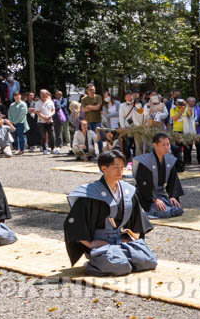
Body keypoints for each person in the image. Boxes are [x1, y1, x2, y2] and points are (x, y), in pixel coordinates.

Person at [63, 149, 156, 277]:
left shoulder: (127, 191)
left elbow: (138, 221)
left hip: (121, 240)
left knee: (148, 261)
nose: (120, 170)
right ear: (103, 168)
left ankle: (119, 256)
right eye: (115, 167)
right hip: (101, 244)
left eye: (122, 167)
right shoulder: (90, 193)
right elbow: (73, 224)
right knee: (121, 266)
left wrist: (131, 236)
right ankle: (94, 263)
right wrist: (90, 244)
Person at [132, 133, 185, 219]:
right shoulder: (145, 161)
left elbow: (173, 181)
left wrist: (172, 196)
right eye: (163, 145)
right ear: (155, 145)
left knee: (178, 209)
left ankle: (165, 207)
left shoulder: (169, 160)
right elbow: (143, 184)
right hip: (146, 198)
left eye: (168, 144)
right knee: (164, 213)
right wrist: (155, 199)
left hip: (160, 195)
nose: (167, 147)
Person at [80, 85, 103, 153]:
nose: (92, 91)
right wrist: (93, 107)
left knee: (99, 137)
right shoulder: (84, 99)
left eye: (93, 89)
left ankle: (101, 152)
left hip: (97, 120)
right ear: (87, 91)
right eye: (90, 90)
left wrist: (89, 106)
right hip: (88, 121)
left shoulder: (98, 97)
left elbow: (98, 107)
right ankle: (92, 153)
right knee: (90, 138)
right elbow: (83, 110)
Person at [34, 90, 56, 154]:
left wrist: (49, 116)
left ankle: (52, 148)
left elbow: (53, 110)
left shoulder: (50, 102)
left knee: (52, 135)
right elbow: (38, 112)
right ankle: (44, 149)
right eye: (42, 94)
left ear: (47, 94)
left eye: (44, 94)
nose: (43, 95)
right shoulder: (37, 103)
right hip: (41, 122)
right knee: (43, 136)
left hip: (50, 120)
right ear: (40, 95)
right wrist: (44, 118)